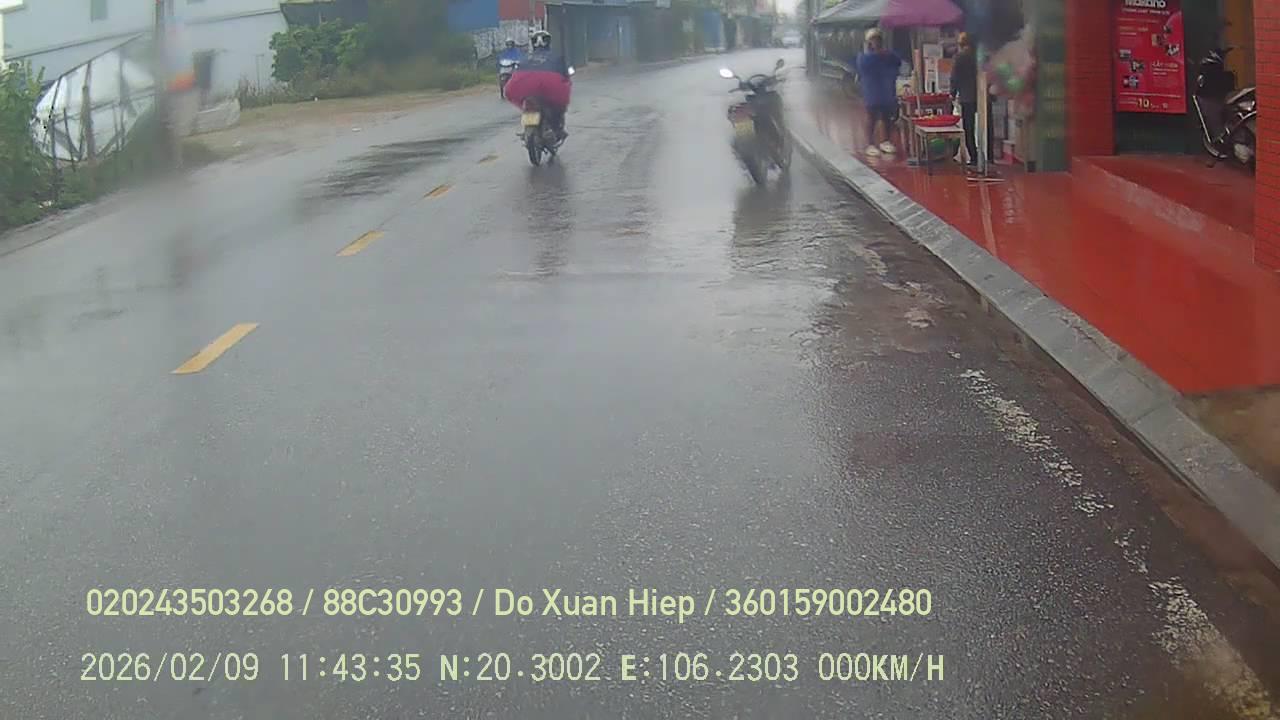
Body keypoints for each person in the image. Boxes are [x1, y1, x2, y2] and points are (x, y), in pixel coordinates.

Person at [503, 30, 572, 140]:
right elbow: (565, 75)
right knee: (559, 105)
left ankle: (531, 129)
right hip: (548, 86)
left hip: (526, 86)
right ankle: (558, 129)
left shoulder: (526, 57)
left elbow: (517, 72)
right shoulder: (556, 57)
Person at [855, 28, 902, 157]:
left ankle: (885, 141)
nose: (876, 42)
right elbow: (863, 66)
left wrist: (886, 54)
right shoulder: (864, 56)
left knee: (887, 117)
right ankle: (869, 144)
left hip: (887, 91)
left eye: (878, 39)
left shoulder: (888, 55)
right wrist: (877, 54)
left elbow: (897, 61)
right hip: (872, 91)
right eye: (873, 40)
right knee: (872, 117)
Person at [950, 32, 978, 167]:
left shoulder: (960, 57)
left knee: (969, 128)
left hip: (967, 97)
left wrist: (952, 93)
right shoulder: (979, 57)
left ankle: (974, 156)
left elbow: (954, 78)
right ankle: (988, 156)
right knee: (986, 126)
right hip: (982, 96)